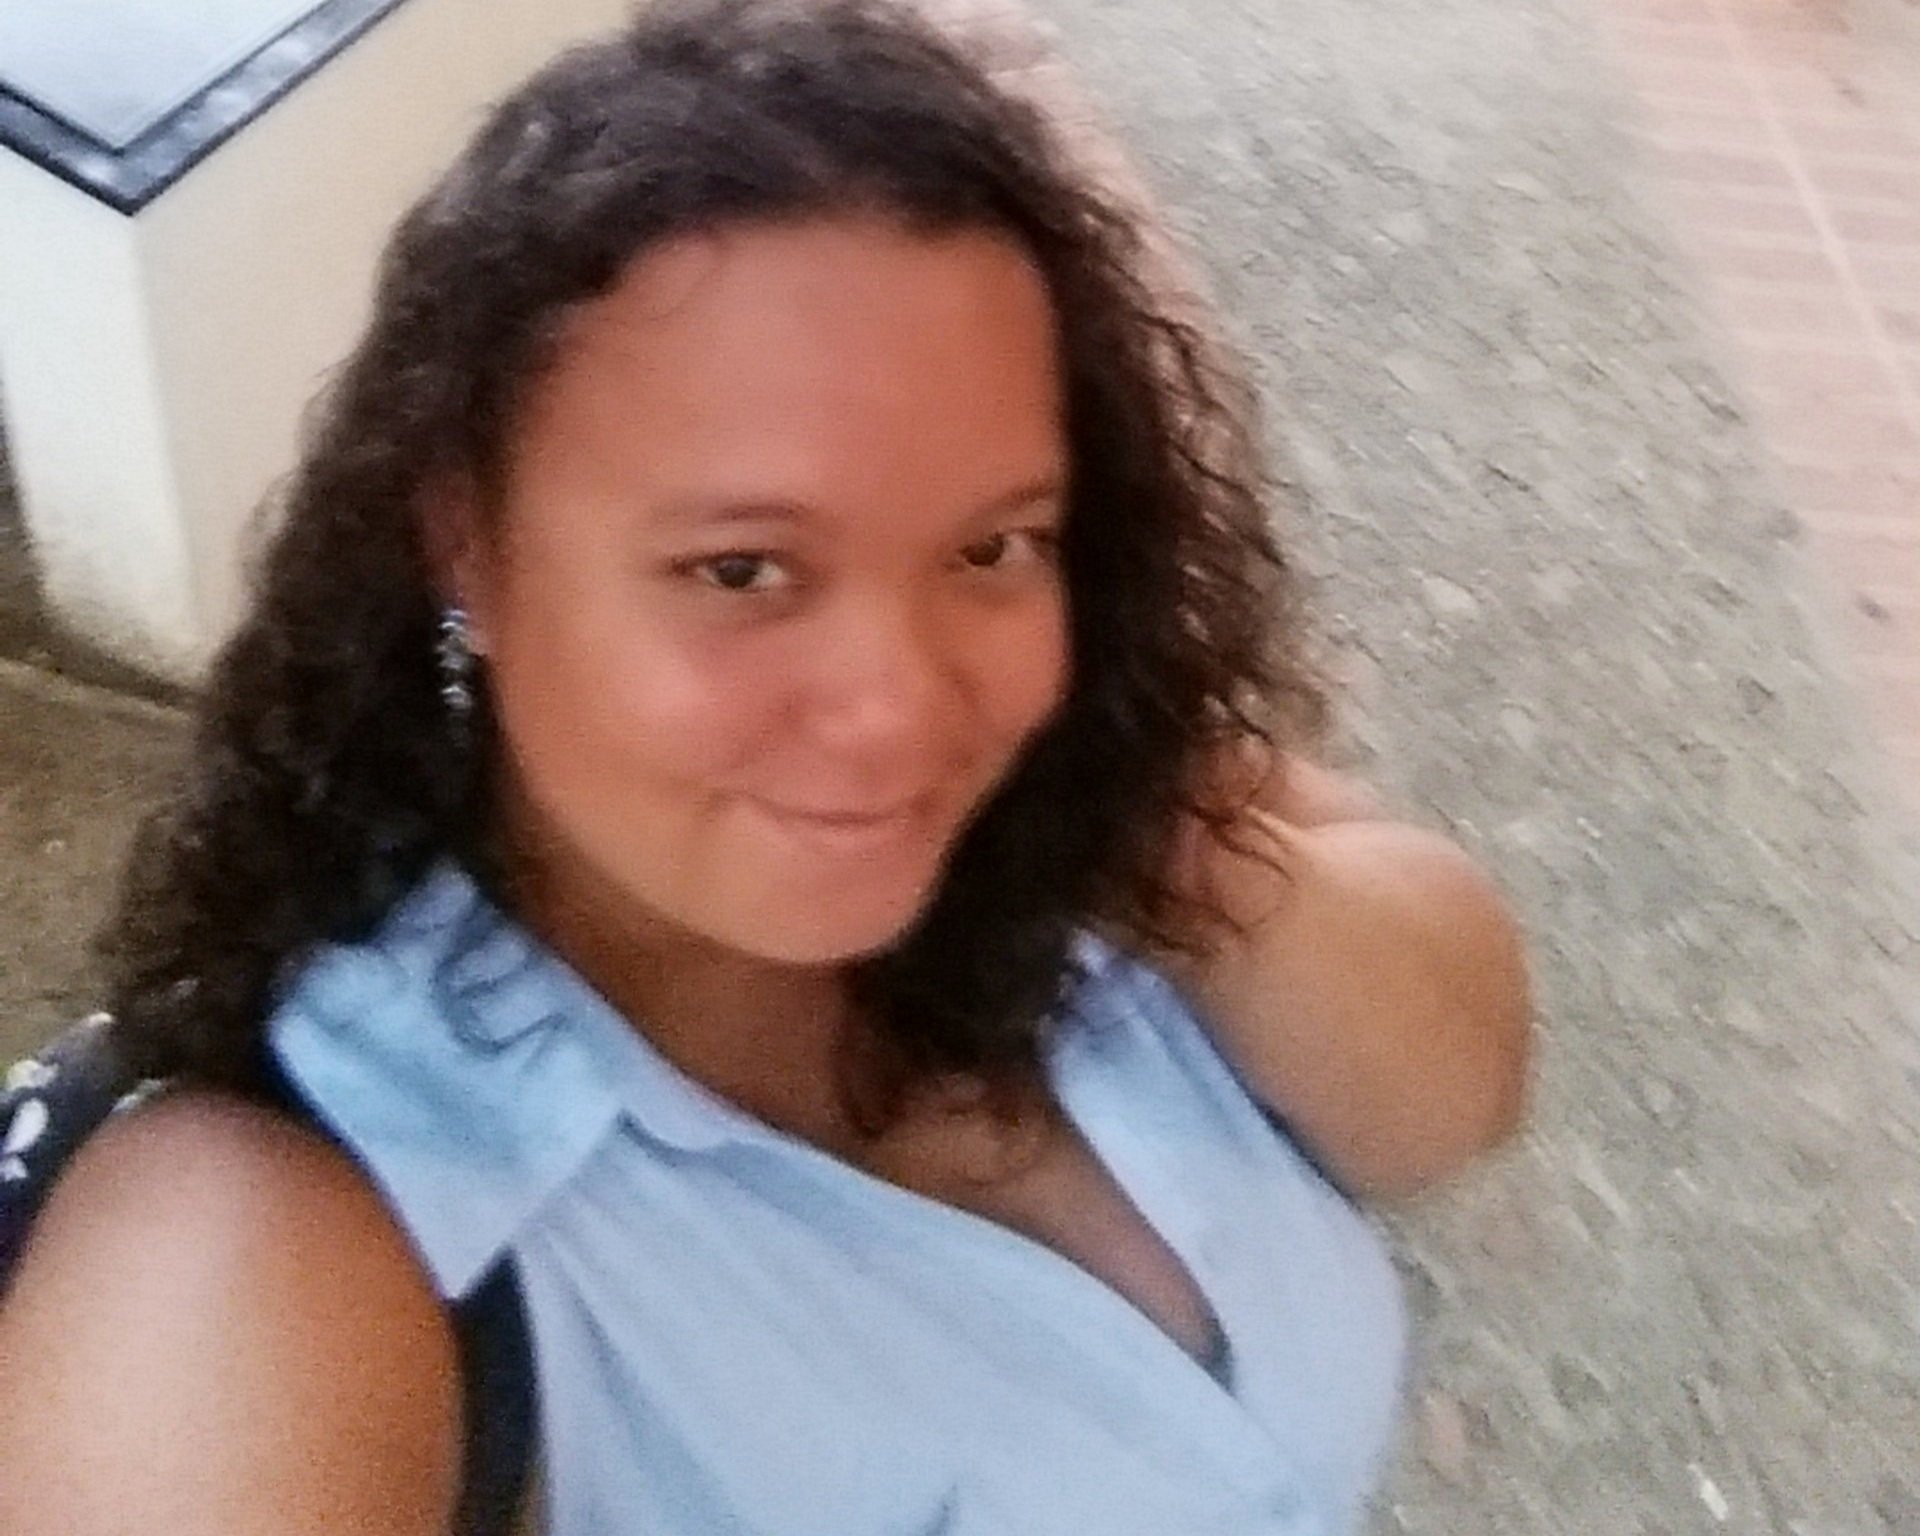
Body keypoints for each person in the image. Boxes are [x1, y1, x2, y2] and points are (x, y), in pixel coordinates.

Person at [0, 2, 1530, 1531]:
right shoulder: (284, 1235)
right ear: (464, 542)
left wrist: (1140, 821)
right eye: (740, 570)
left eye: (991, 544)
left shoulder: (1104, 817)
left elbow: (1448, 1098)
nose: (895, 708)